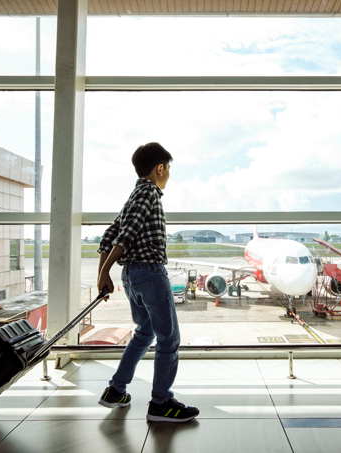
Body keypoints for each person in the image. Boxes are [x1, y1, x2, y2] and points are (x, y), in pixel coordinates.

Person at [96, 142, 199, 423]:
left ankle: (116, 391)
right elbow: (125, 235)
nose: (169, 174)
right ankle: (161, 403)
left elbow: (109, 235)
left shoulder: (134, 195)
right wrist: (104, 272)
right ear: (160, 168)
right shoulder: (150, 193)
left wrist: (102, 273)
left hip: (131, 275)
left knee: (145, 332)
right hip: (150, 273)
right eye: (169, 169)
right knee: (169, 339)